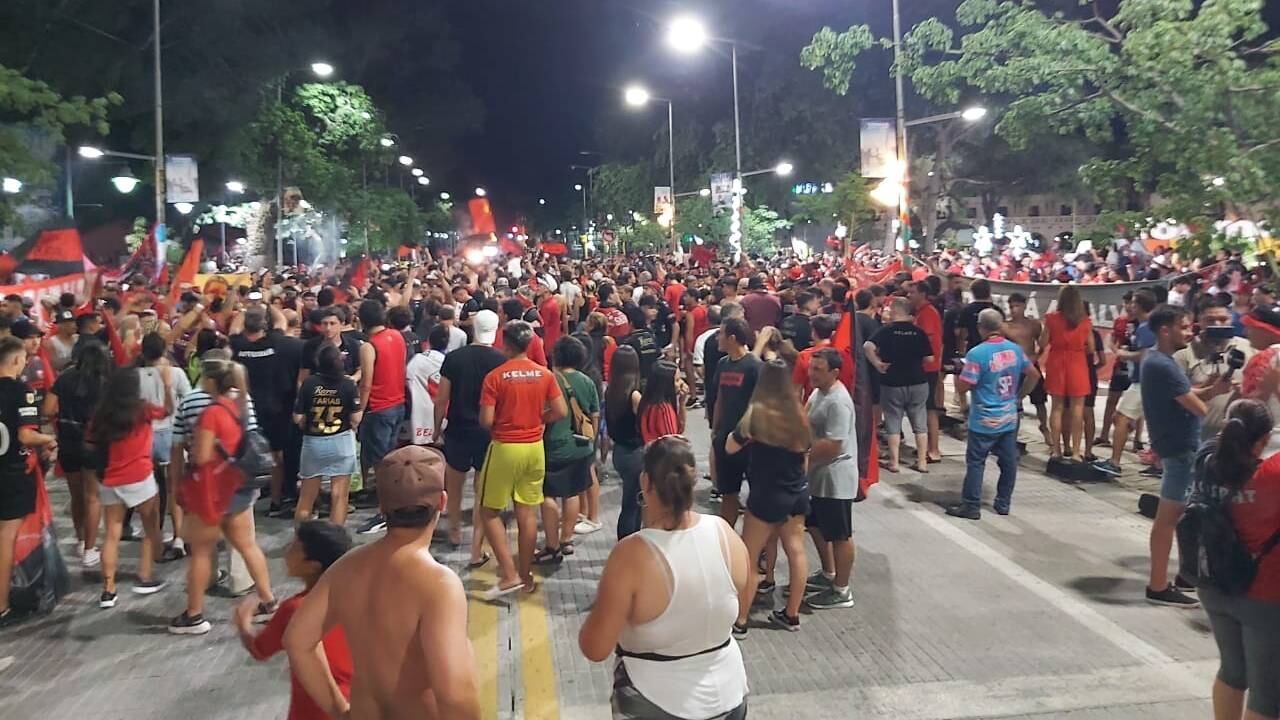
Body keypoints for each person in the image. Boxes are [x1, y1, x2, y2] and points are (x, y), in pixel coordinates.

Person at [284, 446, 481, 719]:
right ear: (442, 502)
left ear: (382, 506)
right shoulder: (438, 585)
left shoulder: (345, 568)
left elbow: (297, 641)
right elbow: (454, 693)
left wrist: (339, 710)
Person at [578, 436, 749, 720]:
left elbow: (595, 647)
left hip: (656, 699)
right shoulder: (724, 533)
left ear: (645, 482)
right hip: (729, 694)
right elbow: (739, 606)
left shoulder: (631, 555)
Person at [169, 354, 277, 635]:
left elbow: (202, 456)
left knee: (201, 552)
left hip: (212, 492)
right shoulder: (238, 405)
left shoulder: (211, 413)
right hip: (237, 487)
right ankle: (268, 601)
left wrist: (195, 453)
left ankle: (193, 615)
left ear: (211, 380)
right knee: (247, 545)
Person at [1191, 399, 1280, 720]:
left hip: (1212, 583)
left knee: (1233, 672)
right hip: (1263, 595)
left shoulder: (1206, 461)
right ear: (1264, 441)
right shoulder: (1272, 476)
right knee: (1268, 697)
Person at [1141, 304, 1231, 607]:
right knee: (1168, 520)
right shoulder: (1164, 365)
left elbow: (1187, 394)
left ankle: (1182, 576)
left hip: (1177, 448)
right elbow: (1199, 409)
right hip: (1179, 450)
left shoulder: (1156, 360)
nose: (1189, 332)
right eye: (1183, 326)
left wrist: (1213, 389)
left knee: (1178, 518)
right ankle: (1157, 585)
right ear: (1165, 329)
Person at [477, 320, 567, 598]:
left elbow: (486, 420)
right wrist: (540, 420)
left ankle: (509, 573)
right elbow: (560, 411)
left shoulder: (494, 377)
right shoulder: (545, 374)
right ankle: (526, 575)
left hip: (505, 447)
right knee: (526, 511)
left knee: (489, 511)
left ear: (505, 344)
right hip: (534, 448)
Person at [236, 520, 354, 720]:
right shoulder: (358, 597)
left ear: (313, 566)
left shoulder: (296, 610)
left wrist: (243, 623)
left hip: (315, 709)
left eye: (294, 547)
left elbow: (260, 650)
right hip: (358, 704)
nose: (286, 552)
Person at [727, 359, 812, 633]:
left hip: (765, 494)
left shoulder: (756, 414)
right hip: (796, 491)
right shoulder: (799, 413)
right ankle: (791, 614)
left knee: (749, 556)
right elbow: (805, 458)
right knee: (796, 550)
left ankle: (740, 620)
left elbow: (730, 447)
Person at [88, 366, 173, 607]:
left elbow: (92, 440)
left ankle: (108, 589)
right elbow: (168, 410)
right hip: (139, 475)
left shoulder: (102, 413)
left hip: (111, 479)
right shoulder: (142, 409)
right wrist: (166, 385)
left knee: (112, 534)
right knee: (150, 525)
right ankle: (145, 576)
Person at [948, 309, 1040, 520]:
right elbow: (1034, 375)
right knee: (1008, 463)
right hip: (1008, 417)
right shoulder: (1015, 350)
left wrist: (959, 372)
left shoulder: (977, 354)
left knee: (976, 463)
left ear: (981, 328)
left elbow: (964, 387)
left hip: (984, 419)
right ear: (999, 327)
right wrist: (1019, 396)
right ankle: (1003, 503)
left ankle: (971, 505)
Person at [434, 309, 505, 556]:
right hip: (488, 432)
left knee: (454, 485)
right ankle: (478, 538)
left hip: (458, 429)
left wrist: (436, 429)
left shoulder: (454, 358)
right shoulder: (501, 360)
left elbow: (441, 399)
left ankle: (453, 528)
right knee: (482, 489)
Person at [0, 336, 57, 627]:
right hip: (12, 473)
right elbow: (25, 435)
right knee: (6, 536)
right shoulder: (23, 392)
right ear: (14, 361)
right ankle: (3, 605)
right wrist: (48, 437)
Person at [801, 349, 859, 610]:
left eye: (818, 370)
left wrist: (804, 461)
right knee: (813, 523)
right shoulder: (818, 392)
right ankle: (828, 573)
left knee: (840, 534)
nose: (811, 374)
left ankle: (842, 590)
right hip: (818, 475)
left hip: (835, 477)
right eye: (811, 368)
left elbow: (834, 445)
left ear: (835, 372)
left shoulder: (838, 401)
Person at [44, 341, 109, 569]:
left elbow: (48, 409)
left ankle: (81, 540)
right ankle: (90, 550)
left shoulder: (65, 378)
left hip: (68, 443)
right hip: (93, 445)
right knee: (93, 496)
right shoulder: (104, 384)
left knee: (76, 495)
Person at [230, 306, 300, 518]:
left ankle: (241, 500)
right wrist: (267, 305)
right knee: (277, 457)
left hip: (247, 408)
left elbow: (233, 328)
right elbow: (281, 321)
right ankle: (276, 501)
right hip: (276, 407)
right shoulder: (276, 342)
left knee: (242, 455)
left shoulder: (237, 345)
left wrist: (244, 308)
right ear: (264, 325)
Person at [537, 336, 600, 564]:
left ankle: (552, 545)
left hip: (553, 446)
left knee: (548, 495)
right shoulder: (587, 381)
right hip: (581, 445)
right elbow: (594, 414)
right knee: (572, 493)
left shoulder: (549, 380)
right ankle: (567, 540)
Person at [136, 332, 192, 562]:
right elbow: (188, 401)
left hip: (144, 437)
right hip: (171, 435)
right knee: (174, 489)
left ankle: (155, 538)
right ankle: (179, 537)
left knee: (152, 492)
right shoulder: (176, 373)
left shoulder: (133, 377)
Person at [294, 344, 363, 526]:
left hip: (314, 442)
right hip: (341, 441)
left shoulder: (309, 383)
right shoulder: (348, 384)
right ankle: (336, 540)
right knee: (339, 496)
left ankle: (301, 539)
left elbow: (297, 417)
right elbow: (356, 418)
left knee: (307, 497)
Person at [355, 299, 408, 535]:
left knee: (381, 464)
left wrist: (358, 410)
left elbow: (366, 383)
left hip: (378, 408)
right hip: (398, 404)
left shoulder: (368, 346)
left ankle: (385, 510)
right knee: (389, 458)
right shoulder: (397, 336)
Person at [865, 297, 934, 473]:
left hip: (892, 382)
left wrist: (878, 364)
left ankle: (894, 462)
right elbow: (929, 358)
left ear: (896, 310)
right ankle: (921, 462)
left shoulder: (885, 331)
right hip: (918, 381)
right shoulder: (919, 332)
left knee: (892, 420)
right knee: (920, 422)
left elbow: (867, 346)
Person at [1094, 289, 1158, 476]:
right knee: (1136, 420)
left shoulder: (1146, 327)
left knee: (1121, 418)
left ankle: (1115, 462)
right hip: (1141, 379)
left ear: (1138, 305)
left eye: (1132, 303)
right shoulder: (1147, 325)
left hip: (1144, 381)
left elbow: (1146, 355)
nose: (1129, 306)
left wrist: (1121, 353)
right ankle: (1158, 463)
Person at [1173, 296, 1254, 441]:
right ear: (1199, 321)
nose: (1217, 324)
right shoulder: (1184, 353)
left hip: (1238, 436)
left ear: (1231, 318)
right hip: (1195, 436)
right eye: (1210, 320)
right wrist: (1208, 388)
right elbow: (1174, 395)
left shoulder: (1249, 348)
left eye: (1223, 319)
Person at [710, 318, 762, 526]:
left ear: (732, 338)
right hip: (725, 437)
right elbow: (720, 397)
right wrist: (716, 429)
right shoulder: (723, 364)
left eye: (721, 333)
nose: (717, 338)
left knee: (756, 496)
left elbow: (759, 404)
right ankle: (726, 539)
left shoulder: (754, 366)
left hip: (749, 441)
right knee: (728, 494)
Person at [1040, 285, 1097, 460]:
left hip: (1056, 361)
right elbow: (1091, 348)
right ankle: (1076, 452)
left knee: (1057, 407)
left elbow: (1043, 343)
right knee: (1078, 409)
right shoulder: (1085, 321)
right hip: (1078, 362)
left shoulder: (1051, 318)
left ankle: (1056, 450)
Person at [606, 346, 646, 539]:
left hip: (620, 452)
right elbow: (645, 424)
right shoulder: (634, 395)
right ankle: (627, 543)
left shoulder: (611, 390)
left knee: (632, 501)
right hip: (634, 454)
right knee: (632, 504)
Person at [1004, 293, 1050, 445]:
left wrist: (1036, 357)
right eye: (1011, 307)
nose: (1014, 310)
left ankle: (1045, 428)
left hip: (1030, 364)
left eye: (1017, 306)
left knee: (1040, 401)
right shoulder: (1005, 326)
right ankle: (1012, 434)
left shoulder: (1033, 324)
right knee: (1014, 401)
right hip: (1014, 367)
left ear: (1024, 306)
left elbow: (1042, 344)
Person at [906, 280, 944, 463]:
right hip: (924, 367)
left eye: (912, 293)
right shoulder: (921, 313)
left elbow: (924, 339)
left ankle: (934, 450)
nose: (909, 296)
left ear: (922, 294)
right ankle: (928, 446)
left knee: (929, 409)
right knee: (922, 408)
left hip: (927, 368)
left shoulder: (927, 313)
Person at [405, 324, 448, 446]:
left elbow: (407, 379)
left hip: (420, 417)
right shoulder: (451, 360)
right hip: (444, 417)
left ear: (429, 340)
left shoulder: (418, 360)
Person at [638, 360, 685, 443]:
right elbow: (672, 442)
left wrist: (682, 402)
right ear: (666, 384)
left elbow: (678, 429)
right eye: (677, 380)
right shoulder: (663, 409)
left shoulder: (648, 403)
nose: (682, 383)